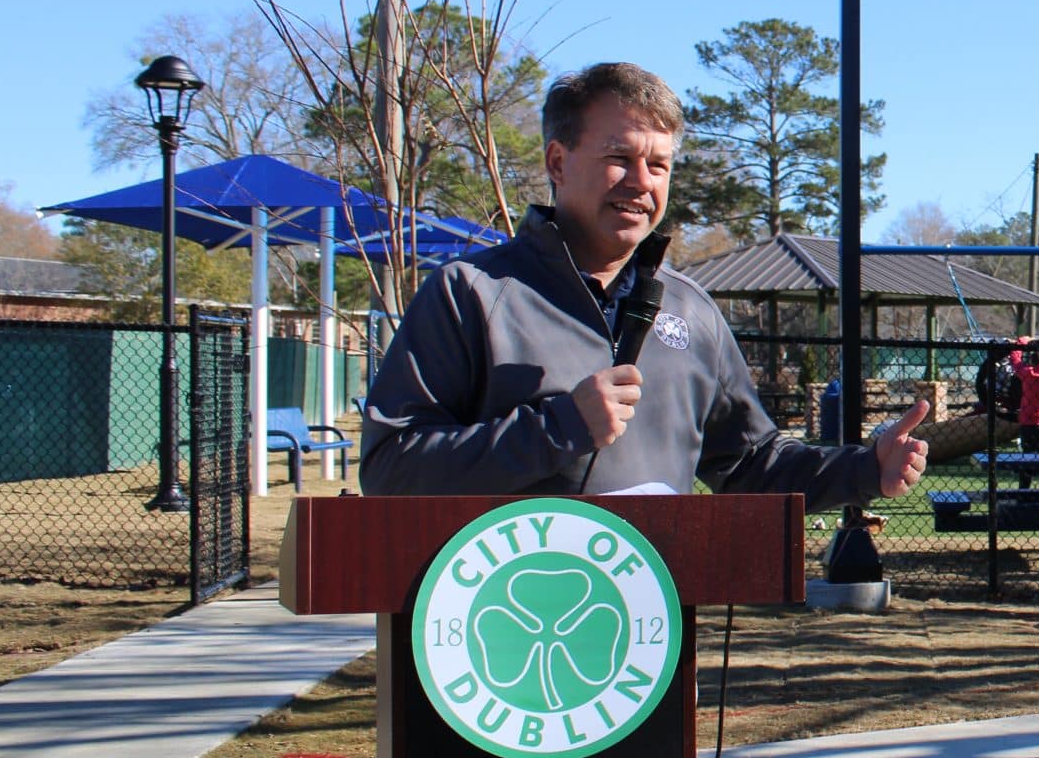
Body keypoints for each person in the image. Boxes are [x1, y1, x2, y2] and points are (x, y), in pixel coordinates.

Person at [360, 61, 930, 505]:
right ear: (558, 163)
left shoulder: (692, 311)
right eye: (619, 157)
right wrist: (558, 427)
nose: (640, 182)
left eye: (657, 165)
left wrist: (864, 468)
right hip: (508, 628)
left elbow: (752, 462)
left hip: (647, 637)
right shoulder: (472, 293)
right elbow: (392, 469)